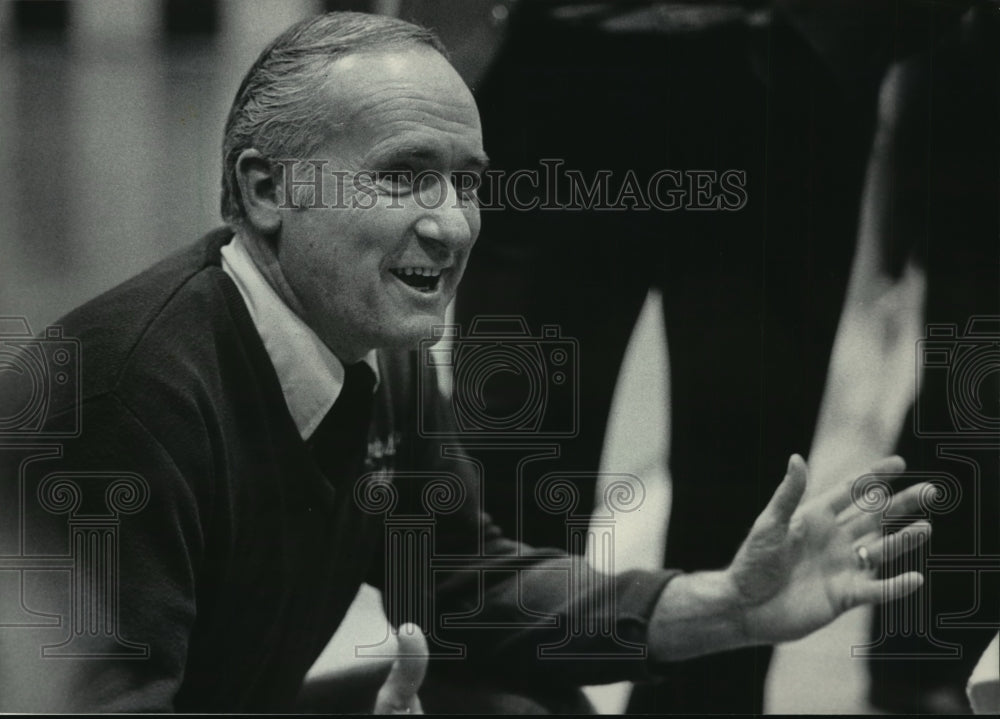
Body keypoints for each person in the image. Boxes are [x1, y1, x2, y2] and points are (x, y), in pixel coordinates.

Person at [0, 11, 933, 714]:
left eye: (470, 182)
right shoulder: (124, 400)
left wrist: (725, 606)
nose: (452, 224)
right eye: (404, 174)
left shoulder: (376, 362)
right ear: (265, 187)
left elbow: (468, 582)